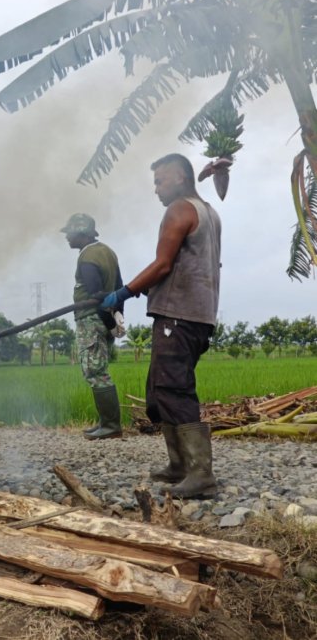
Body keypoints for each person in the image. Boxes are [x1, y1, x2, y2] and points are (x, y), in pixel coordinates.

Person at [101, 153, 221, 499]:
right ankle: (179, 466)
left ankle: (201, 475)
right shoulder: (208, 212)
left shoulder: (179, 210)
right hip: (199, 314)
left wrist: (125, 291)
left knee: (173, 389)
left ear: (181, 178)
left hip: (178, 314)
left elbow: (164, 264)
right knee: (160, 388)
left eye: (160, 181)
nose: (155, 189)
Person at [60, 213, 126, 441]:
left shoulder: (87, 257)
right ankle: (107, 423)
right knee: (99, 369)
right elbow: (120, 288)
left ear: (82, 234)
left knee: (95, 371)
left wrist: (108, 322)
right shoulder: (107, 252)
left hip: (91, 320)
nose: (67, 237)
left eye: (70, 234)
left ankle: (110, 426)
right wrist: (117, 319)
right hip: (105, 320)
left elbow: (97, 295)